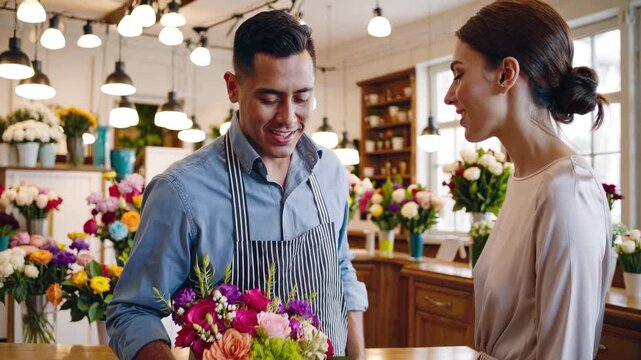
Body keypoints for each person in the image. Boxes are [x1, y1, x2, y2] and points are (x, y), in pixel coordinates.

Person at [107, 10, 367, 360]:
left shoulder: (331, 172)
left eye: (302, 97)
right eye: (270, 98)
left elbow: (342, 271)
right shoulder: (181, 191)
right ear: (233, 87)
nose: (288, 117)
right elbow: (132, 310)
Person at [443, 0, 611, 359]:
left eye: (459, 74)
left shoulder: (567, 188)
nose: (449, 95)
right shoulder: (526, 178)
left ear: (506, 74)